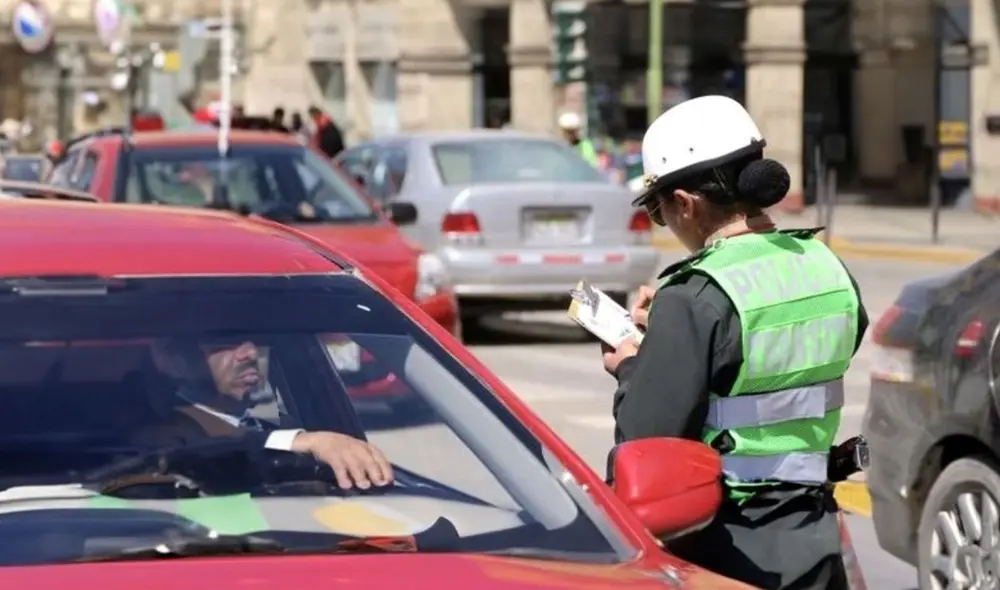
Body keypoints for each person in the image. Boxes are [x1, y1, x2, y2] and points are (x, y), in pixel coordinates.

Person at [601, 95, 869, 590]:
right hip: (815, 534)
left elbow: (645, 437)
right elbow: (775, 350)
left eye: (659, 211)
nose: (665, 224)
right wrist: (674, 333)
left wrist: (633, 365)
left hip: (725, 544)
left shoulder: (693, 296)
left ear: (685, 203)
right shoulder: (826, 267)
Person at [137, 336, 392, 490]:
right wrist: (305, 441)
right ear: (172, 360)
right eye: (226, 341)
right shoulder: (161, 434)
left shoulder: (263, 426)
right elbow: (209, 450)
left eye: (254, 339)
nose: (250, 352)